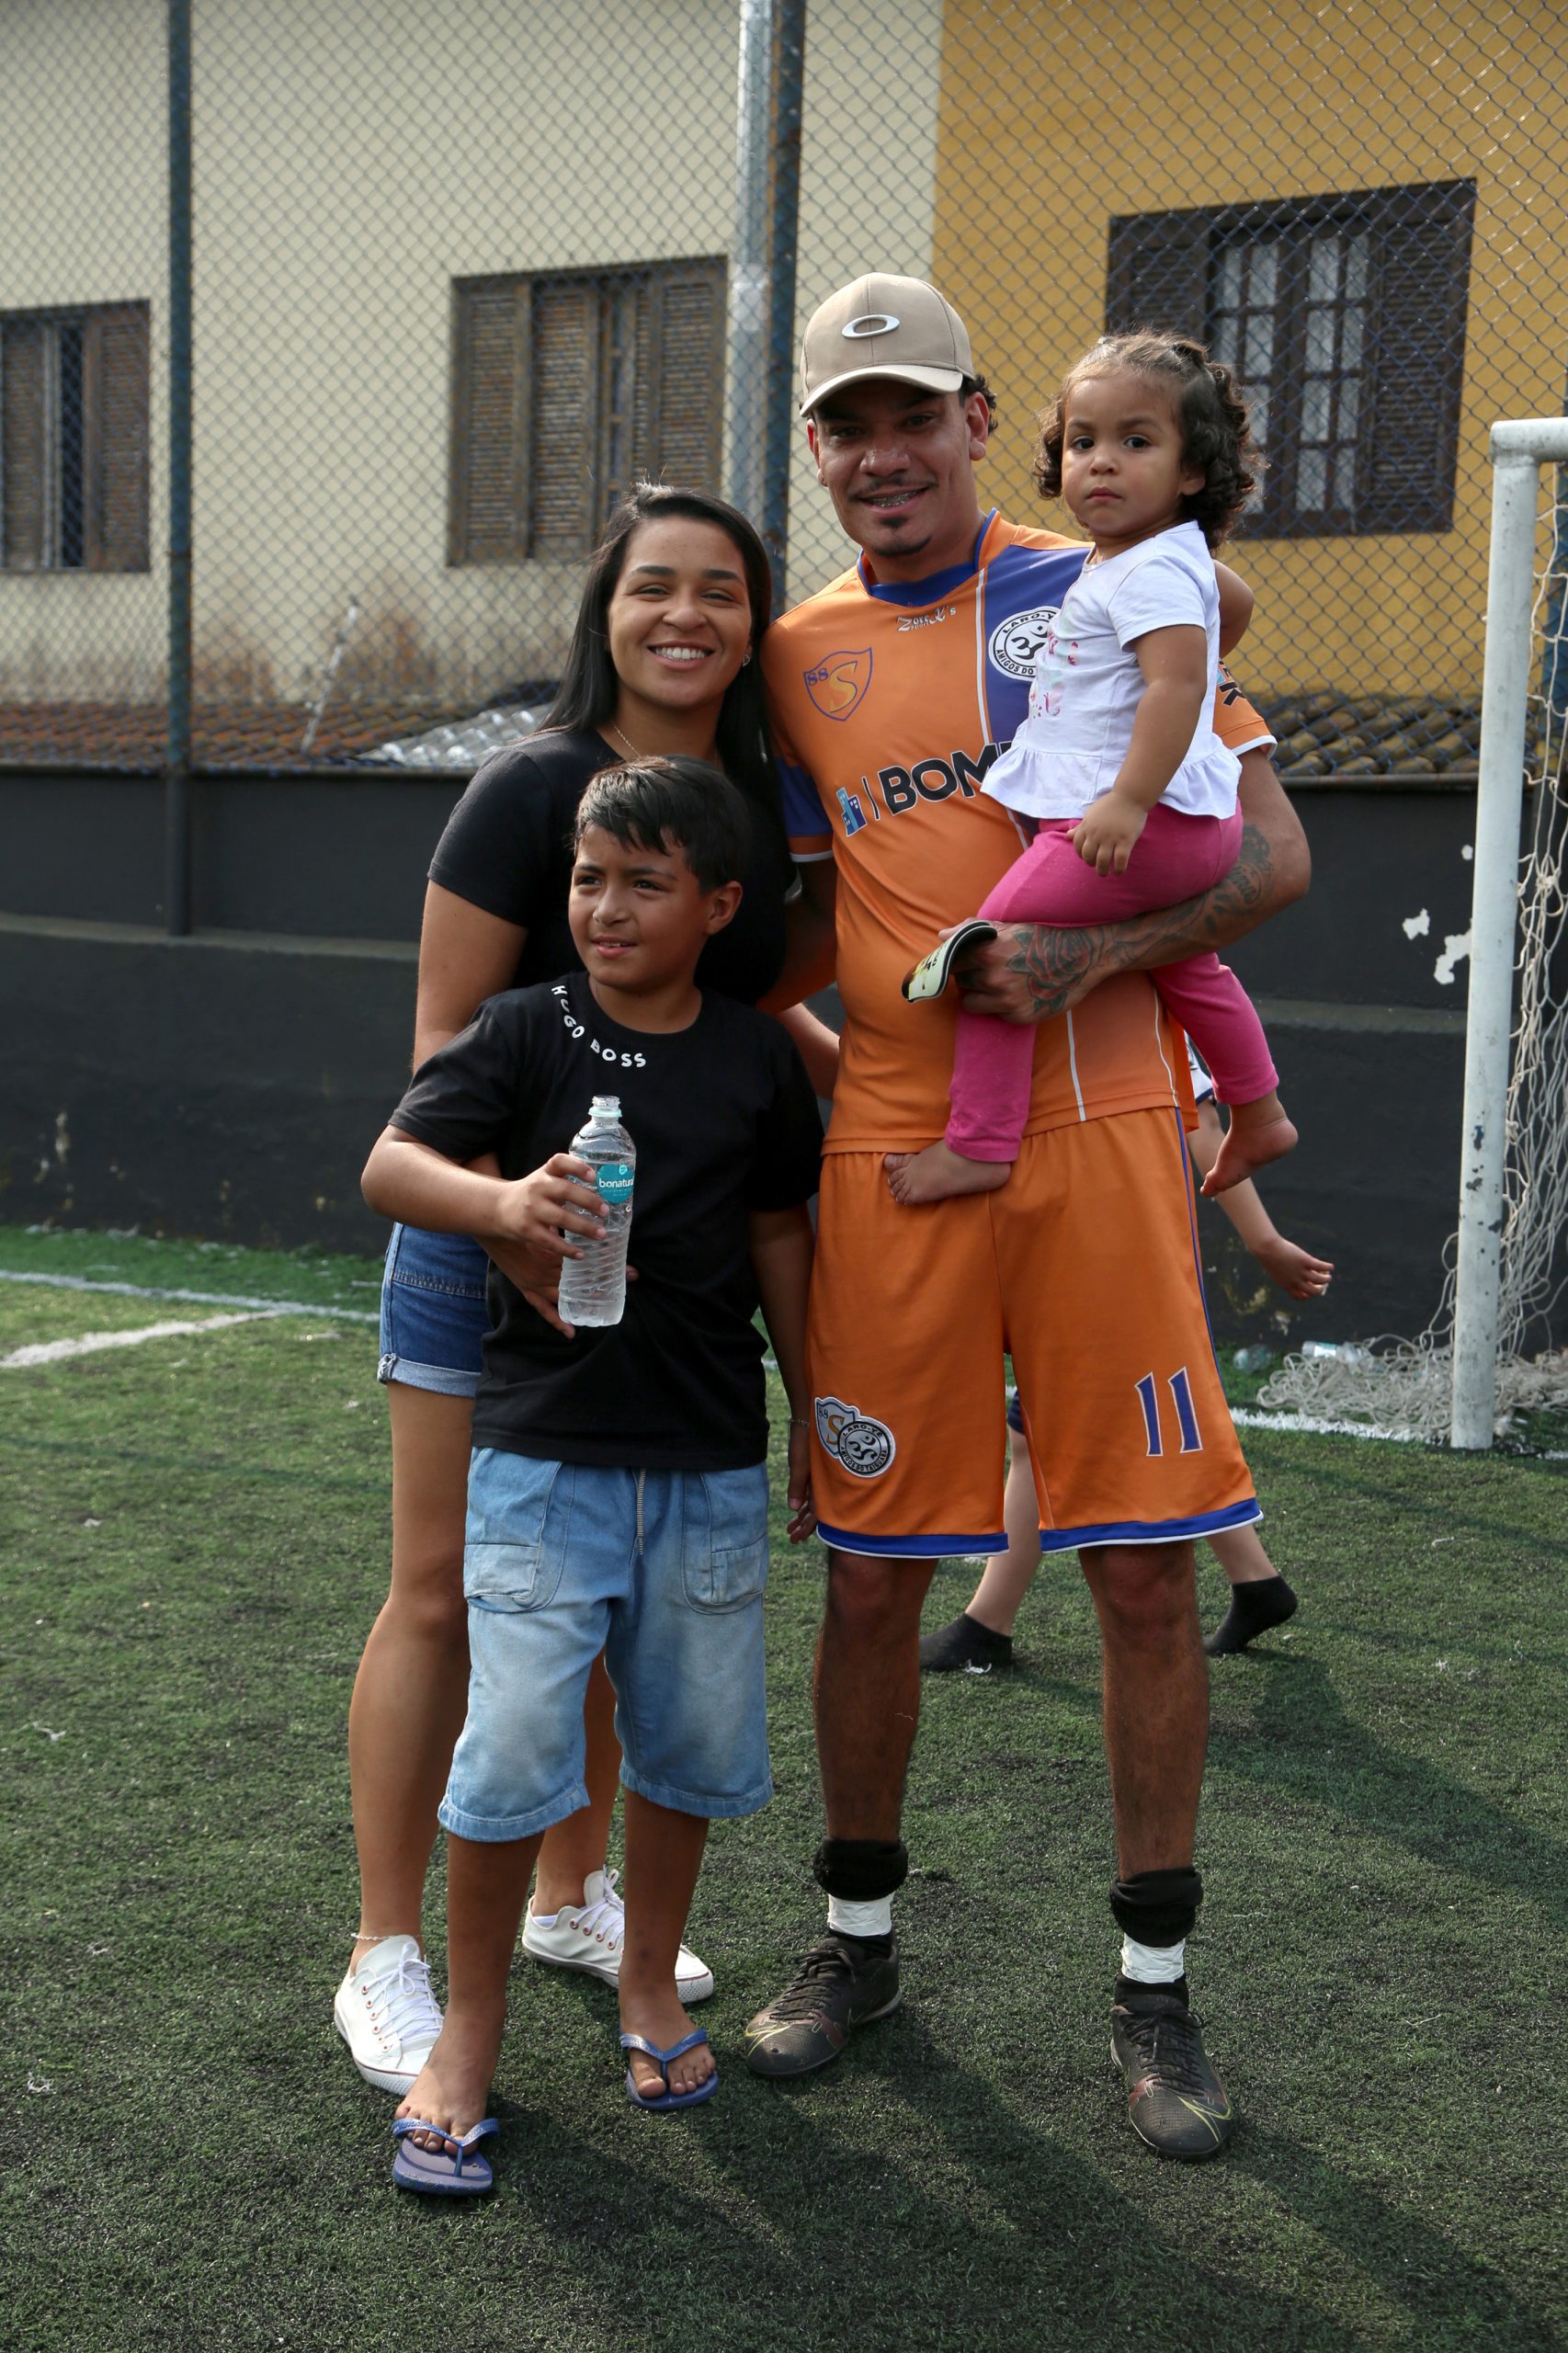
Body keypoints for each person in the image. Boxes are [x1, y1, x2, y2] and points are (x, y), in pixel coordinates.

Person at [744, 275, 1310, 2162]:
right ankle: (855, 1941)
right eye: (845, 421)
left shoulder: (1110, 574)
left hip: (1101, 1136)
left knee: (1143, 1572)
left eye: (912, 412)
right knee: (871, 1572)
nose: (880, 450)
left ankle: (1156, 1994)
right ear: (816, 450)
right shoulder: (795, 650)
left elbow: (1274, 854)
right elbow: (818, 919)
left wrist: (1100, 956)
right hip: (897, 1160)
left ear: (984, 418)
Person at [335, 485, 837, 2100]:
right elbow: (442, 1063)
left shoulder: (757, 800)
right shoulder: (531, 785)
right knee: (443, 1592)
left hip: (652, 1301)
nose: (685, 615)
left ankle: (571, 1899)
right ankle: (384, 1953)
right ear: (603, 608)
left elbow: (744, 1034)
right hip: (495, 1252)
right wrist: (519, 1240)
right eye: (652, 587)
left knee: (624, 1591)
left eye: (721, 591)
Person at [886, 331, 1291, 1209]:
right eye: (1083, 443)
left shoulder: (1145, 573)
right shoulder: (1165, 563)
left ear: (1193, 472)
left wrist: (1126, 800)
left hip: (1143, 827)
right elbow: (1234, 605)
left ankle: (981, 1143)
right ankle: (1258, 1110)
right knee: (1193, 969)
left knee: (990, 953)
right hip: (1191, 828)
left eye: (1136, 443)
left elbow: (1179, 683)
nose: (1102, 464)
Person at [921, 1050, 1335, 1673]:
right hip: (1075, 1246)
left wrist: (1264, 1241)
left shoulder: (1135, 989)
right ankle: (1254, 1579)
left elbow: (1204, 1127)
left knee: (1113, 1428)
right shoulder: (1068, 989)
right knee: (1045, 1429)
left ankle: (987, 1624)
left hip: (1112, 1249)